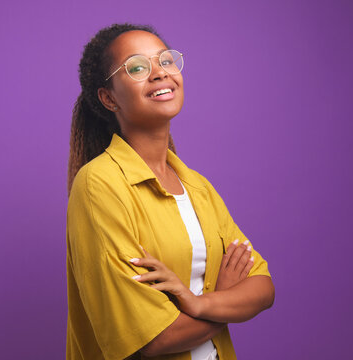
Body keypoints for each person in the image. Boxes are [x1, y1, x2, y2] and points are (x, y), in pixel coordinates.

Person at [66, 23, 275, 360]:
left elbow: (263, 288)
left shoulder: (197, 186)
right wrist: (226, 298)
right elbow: (149, 339)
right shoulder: (99, 185)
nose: (159, 73)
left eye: (165, 60)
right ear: (108, 98)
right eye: (137, 67)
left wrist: (198, 302)